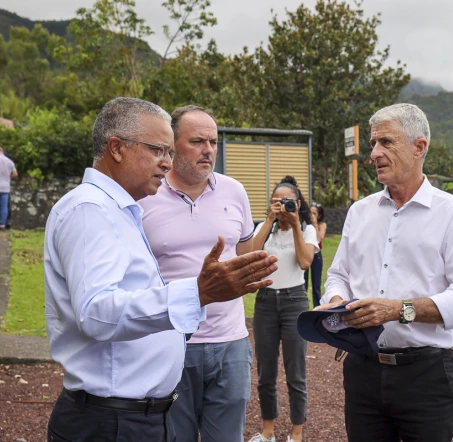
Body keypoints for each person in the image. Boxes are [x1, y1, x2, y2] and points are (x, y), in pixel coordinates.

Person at [44, 97, 278, 442]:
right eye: (158, 150)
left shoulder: (119, 209)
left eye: (169, 152)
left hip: (134, 414)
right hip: (112, 421)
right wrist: (198, 293)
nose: (166, 163)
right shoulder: (90, 211)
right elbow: (97, 313)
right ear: (117, 148)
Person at [316, 103, 453, 442]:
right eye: (374, 144)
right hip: (361, 371)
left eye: (386, 142)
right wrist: (336, 301)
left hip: (426, 375)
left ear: (419, 147)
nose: (374, 153)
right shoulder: (359, 212)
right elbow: (339, 275)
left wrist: (398, 309)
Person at [140, 105, 255, 442]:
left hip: (230, 343)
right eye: (198, 141)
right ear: (172, 145)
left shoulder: (234, 192)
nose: (209, 150)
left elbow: (244, 259)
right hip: (171, 340)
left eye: (214, 142)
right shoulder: (146, 196)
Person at [249, 176, 318, 442]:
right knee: (266, 373)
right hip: (265, 302)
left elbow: (304, 262)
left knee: (296, 373)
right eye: (275, 202)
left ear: (297, 203)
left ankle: (296, 434)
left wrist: (295, 226)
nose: (281, 206)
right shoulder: (265, 229)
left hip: (294, 303)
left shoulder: (307, 229)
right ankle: (267, 432)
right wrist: (269, 220)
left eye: (287, 202)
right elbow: (251, 255)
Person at [304, 203, 327, 307]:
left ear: (319, 215)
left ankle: (317, 307)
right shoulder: (305, 225)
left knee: (316, 285)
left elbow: (319, 239)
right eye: (310, 212)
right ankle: (303, 307)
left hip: (316, 255)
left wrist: (315, 226)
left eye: (314, 213)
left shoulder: (322, 225)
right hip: (305, 254)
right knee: (303, 284)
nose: (312, 215)